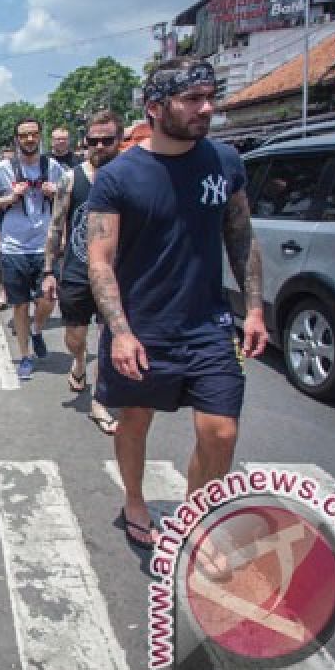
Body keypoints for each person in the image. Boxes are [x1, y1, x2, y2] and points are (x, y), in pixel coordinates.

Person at [87, 59, 266, 553]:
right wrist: (120, 331)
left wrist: (253, 309)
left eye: (210, 96)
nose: (205, 108)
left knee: (221, 432)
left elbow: (242, 237)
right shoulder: (118, 177)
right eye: (191, 99)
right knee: (134, 421)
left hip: (209, 326)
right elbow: (100, 261)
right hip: (142, 329)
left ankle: (195, 516)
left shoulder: (226, 162)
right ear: (155, 108)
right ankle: (136, 501)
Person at [42, 110, 123, 435]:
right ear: (84, 143)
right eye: (94, 141)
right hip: (76, 271)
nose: (100, 146)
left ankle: (100, 400)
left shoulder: (128, 176)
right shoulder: (71, 179)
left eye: (107, 140)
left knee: (109, 337)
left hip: (116, 275)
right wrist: (49, 270)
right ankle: (79, 362)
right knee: (75, 337)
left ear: (119, 141)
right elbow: (56, 226)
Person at [0, 118, 66, 380]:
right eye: (24, 135)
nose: (29, 139)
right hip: (13, 248)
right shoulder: (3, 169)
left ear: (40, 136)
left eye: (34, 134)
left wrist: (56, 193)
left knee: (48, 299)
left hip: (44, 246)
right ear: (17, 139)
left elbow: (70, 198)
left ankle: (37, 329)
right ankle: (25, 356)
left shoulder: (52, 167)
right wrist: (9, 198)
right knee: (19, 305)